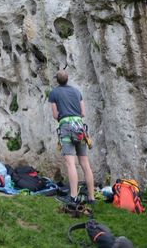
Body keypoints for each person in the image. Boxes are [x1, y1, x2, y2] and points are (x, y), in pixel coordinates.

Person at [48, 70, 95, 204]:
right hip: (80, 128)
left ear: (57, 80)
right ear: (67, 79)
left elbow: (55, 115)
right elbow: (83, 113)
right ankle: (91, 198)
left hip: (66, 127)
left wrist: (63, 113)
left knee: (70, 163)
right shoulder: (76, 92)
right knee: (85, 163)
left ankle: (73, 196)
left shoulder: (54, 93)